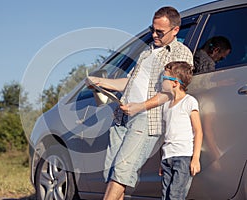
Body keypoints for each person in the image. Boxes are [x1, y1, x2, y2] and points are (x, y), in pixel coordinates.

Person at [87, 6, 193, 200]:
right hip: (123, 116)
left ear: (175, 30)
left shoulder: (181, 53)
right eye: (152, 29)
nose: (154, 35)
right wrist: (102, 83)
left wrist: (140, 106)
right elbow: (131, 82)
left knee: (122, 172)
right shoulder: (147, 52)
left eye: (159, 32)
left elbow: (171, 92)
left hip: (146, 118)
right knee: (112, 174)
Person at [159, 61, 203, 200]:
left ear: (175, 83)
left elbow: (198, 131)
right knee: (165, 196)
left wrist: (195, 158)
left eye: (164, 78)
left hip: (183, 157)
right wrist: (163, 159)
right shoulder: (166, 106)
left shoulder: (189, 102)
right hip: (167, 157)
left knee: (175, 196)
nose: (161, 81)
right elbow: (166, 134)